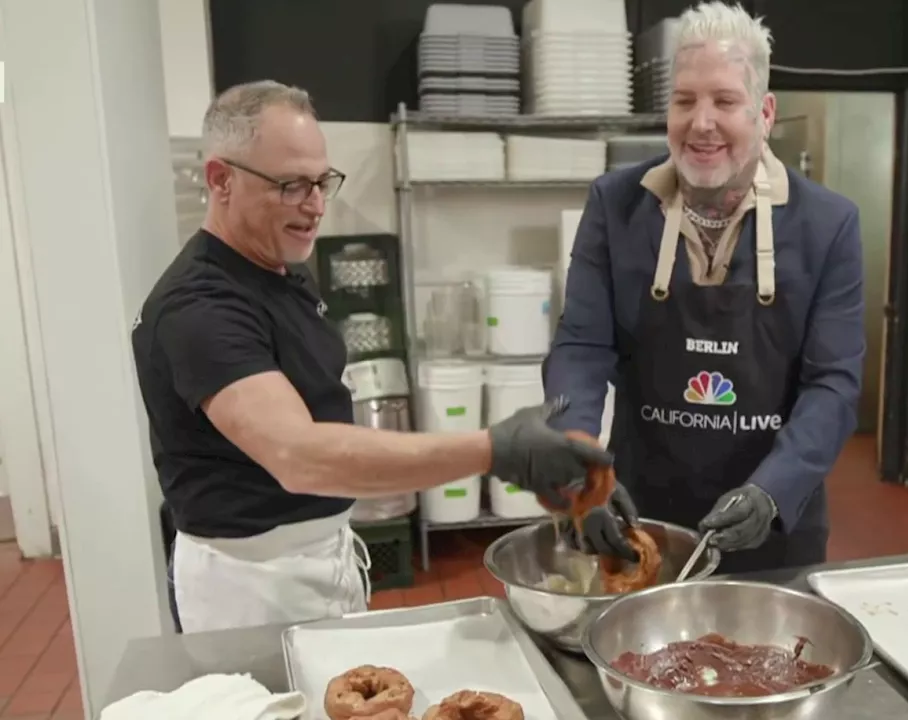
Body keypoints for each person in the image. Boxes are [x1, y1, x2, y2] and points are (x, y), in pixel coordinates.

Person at [131, 80, 610, 633]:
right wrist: (490, 450)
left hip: (317, 558)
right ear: (221, 180)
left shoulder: (278, 271)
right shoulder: (199, 307)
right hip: (251, 589)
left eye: (321, 182)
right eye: (290, 185)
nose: (314, 205)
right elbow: (298, 455)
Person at [543, 1, 865, 575]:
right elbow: (580, 348)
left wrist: (773, 489)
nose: (701, 122)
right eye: (684, 100)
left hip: (776, 525)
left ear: (764, 113)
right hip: (641, 520)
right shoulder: (615, 207)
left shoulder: (827, 226)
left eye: (725, 101)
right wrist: (580, 465)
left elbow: (833, 384)